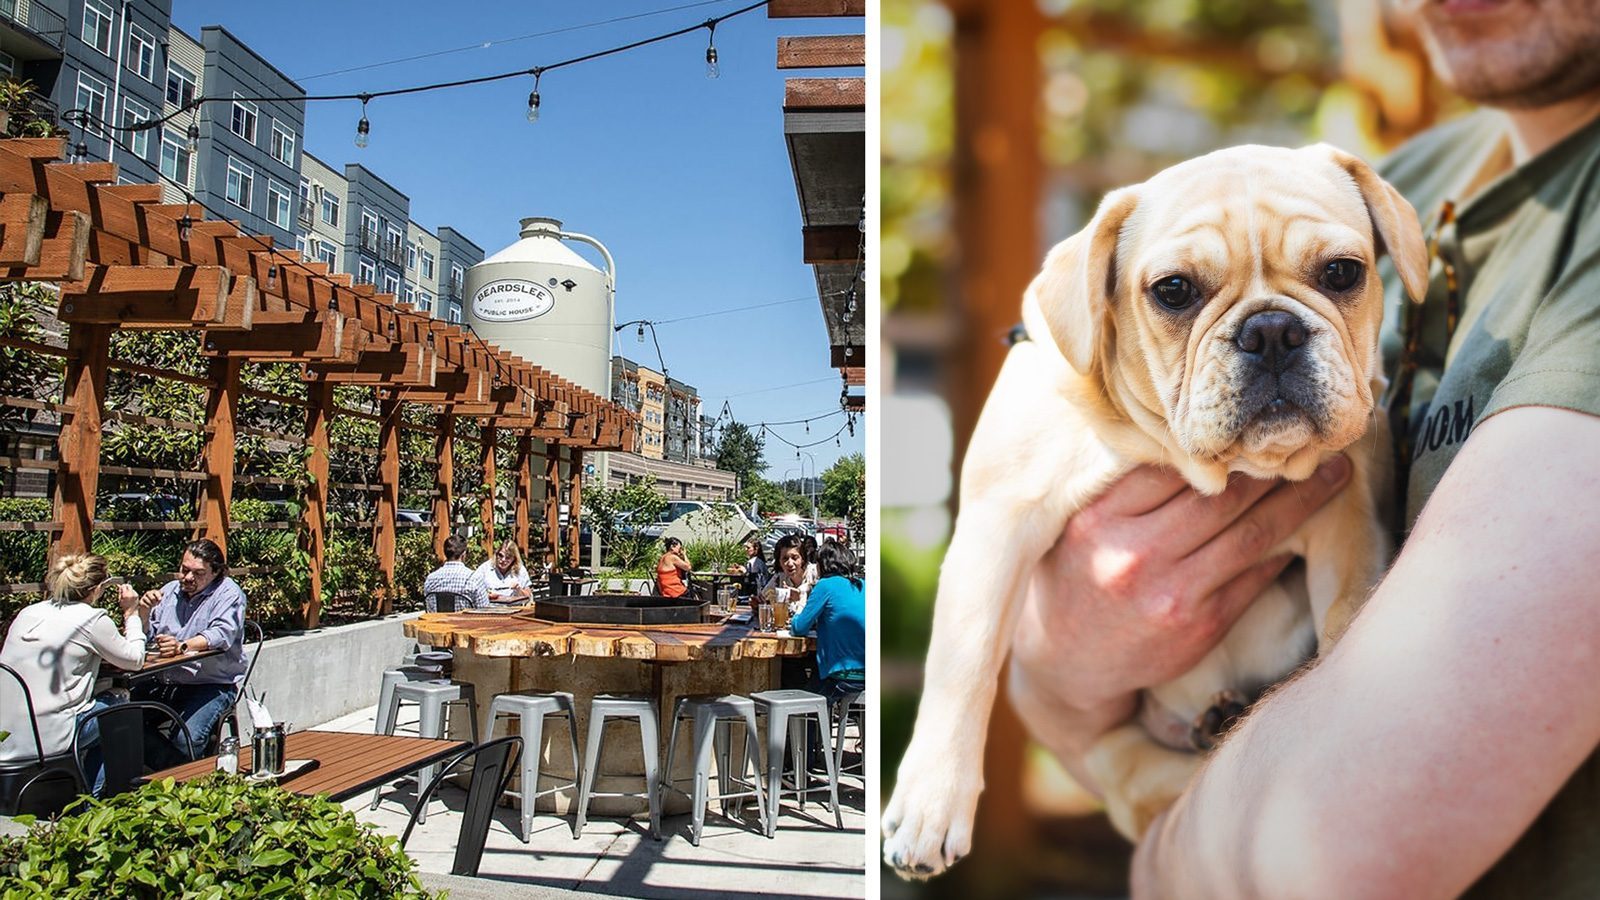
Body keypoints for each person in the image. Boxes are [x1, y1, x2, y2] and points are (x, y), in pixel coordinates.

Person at [1006, 3, 1600, 896]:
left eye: (1335, 277)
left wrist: (1157, 855)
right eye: (1178, 293)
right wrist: (1055, 668)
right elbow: (1046, 672)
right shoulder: (1389, 181)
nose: (1270, 336)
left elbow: (1344, 847)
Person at [0, 554, 146, 792]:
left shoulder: (28, 613)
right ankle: (91, 801)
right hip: (48, 737)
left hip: (7, 732)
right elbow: (135, 660)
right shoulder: (91, 619)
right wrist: (131, 614)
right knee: (119, 703)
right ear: (97, 589)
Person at [134, 538, 247, 764]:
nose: (187, 578)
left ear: (216, 573)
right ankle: (170, 773)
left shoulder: (228, 594)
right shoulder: (169, 591)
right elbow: (146, 638)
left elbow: (221, 634)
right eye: (184, 570)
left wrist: (182, 646)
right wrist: (143, 612)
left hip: (211, 683)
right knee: (119, 723)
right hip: (165, 681)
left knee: (186, 739)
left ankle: (179, 779)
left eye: (198, 573)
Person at [791, 541, 866, 703]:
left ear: (822, 565)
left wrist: (796, 612)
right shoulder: (864, 586)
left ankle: (805, 728)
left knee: (798, 699)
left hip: (842, 674)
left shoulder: (825, 585)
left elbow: (799, 628)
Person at [423, 535, 490, 611]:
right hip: (463, 622)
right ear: (464, 554)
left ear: (445, 553)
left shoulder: (430, 579)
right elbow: (484, 610)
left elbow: (428, 608)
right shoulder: (474, 578)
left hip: (436, 622)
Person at [762, 534, 818, 619]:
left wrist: (801, 594)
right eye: (785, 559)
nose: (790, 563)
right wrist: (759, 603)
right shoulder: (779, 578)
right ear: (779, 562)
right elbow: (764, 597)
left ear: (802, 559)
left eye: (794, 558)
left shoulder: (815, 573)